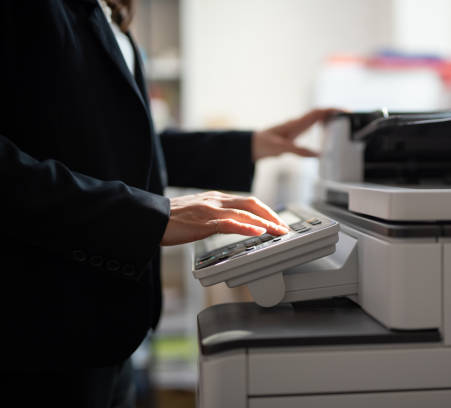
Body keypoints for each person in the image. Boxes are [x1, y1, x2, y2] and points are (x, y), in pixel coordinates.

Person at [0, 0, 337, 406]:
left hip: (107, 329)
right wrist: (146, 215)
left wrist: (246, 146)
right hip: (35, 331)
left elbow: (117, 147)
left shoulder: (109, 9)